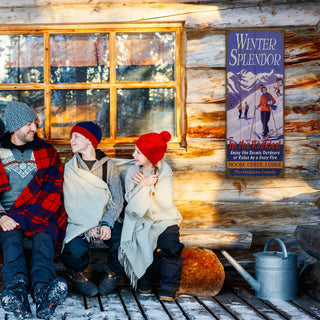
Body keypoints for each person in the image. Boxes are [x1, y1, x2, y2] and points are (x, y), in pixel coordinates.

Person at [0, 101, 68, 319]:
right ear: (14, 127)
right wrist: (1, 217)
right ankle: (16, 291)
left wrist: (34, 216)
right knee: (10, 241)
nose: (34, 129)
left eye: (34, 123)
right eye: (28, 124)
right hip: (8, 214)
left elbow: (53, 189)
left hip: (40, 211)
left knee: (44, 239)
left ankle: (43, 292)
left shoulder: (46, 151)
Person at [119, 131, 184, 302]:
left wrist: (144, 188)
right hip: (140, 219)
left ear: (150, 155)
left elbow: (164, 201)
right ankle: (144, 282)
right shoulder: (132, 170)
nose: (133, 155)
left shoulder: (164, 170)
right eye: (135, 151)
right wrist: (143, 185)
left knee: (171, 244)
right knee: (140, 238)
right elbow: (130, 203)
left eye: (138, 152)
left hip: (164, 219)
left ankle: (168, 288)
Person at [61, 121, 124, 297]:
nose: (71, 140)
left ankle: (113, 273)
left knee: (122, 242)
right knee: (73, 248)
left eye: (76, 136)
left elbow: (117, 197)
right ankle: (78, 274)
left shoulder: (107, 165)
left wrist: (106, 223)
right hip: (80, 220)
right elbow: (70, 200)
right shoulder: (70, 166)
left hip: (106, 217)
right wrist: (86, 224)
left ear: (89, 140)